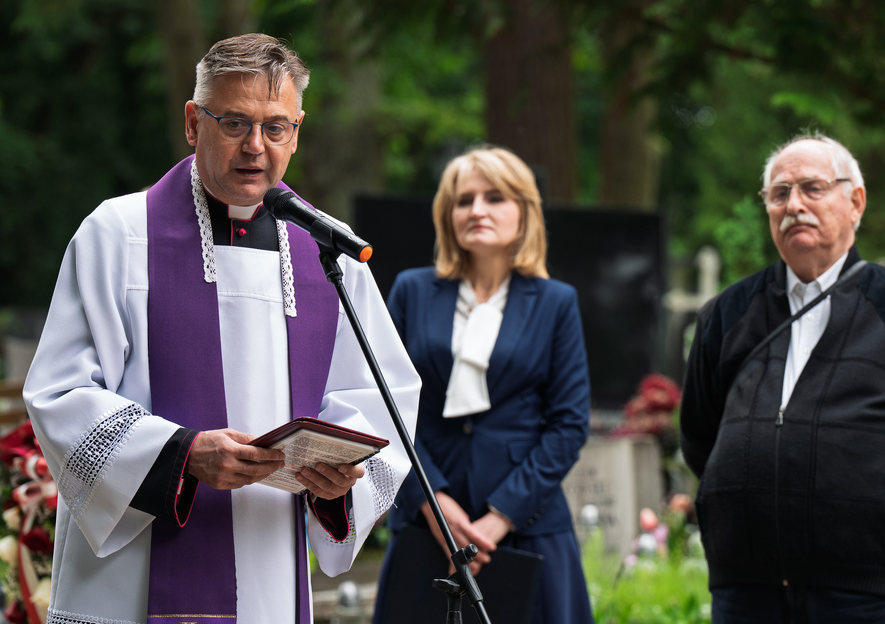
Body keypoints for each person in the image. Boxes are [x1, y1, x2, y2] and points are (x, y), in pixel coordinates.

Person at [21, 33, 420, 623]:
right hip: (133, 578)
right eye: (234, 122)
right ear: (192, 122)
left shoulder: (326, 252)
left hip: (270, 568)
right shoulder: (119, 234)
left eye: (275, 126)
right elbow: (58, 394)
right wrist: (182, 454)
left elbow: (382, 398)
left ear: (297, 130)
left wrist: (339, 480)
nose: (255, 147)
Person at [680, 132, 885, 623]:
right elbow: (700, 436)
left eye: (811, 188)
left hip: (863, 592)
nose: (793, 204)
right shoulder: (726, 314)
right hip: (747, 591)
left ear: (855, 202)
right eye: (779, 194)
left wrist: (883, 511)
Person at [371, 146, 594, 624]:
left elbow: (569, 424)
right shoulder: (412, 290)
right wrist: (434, 506)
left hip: (526, 526)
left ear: (524, 212)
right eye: (463, 199)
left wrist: (499, 518)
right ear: (447, 214)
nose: (476, 210)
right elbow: (386, 407)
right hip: (429, 524)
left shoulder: (556, 302)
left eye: (494, 198)